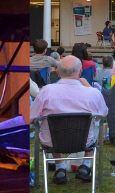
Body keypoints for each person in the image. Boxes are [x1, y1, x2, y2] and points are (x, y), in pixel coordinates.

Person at [32, 56, 107, 185]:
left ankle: (59, 168)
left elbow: (31, 117)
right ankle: (86, 165)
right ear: (80, 72)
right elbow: (104, 113)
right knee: (96, 123)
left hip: (52, 142)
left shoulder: (46, 92)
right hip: (84, 141)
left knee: (50, 129)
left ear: (59, 73)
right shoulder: (92, 93)